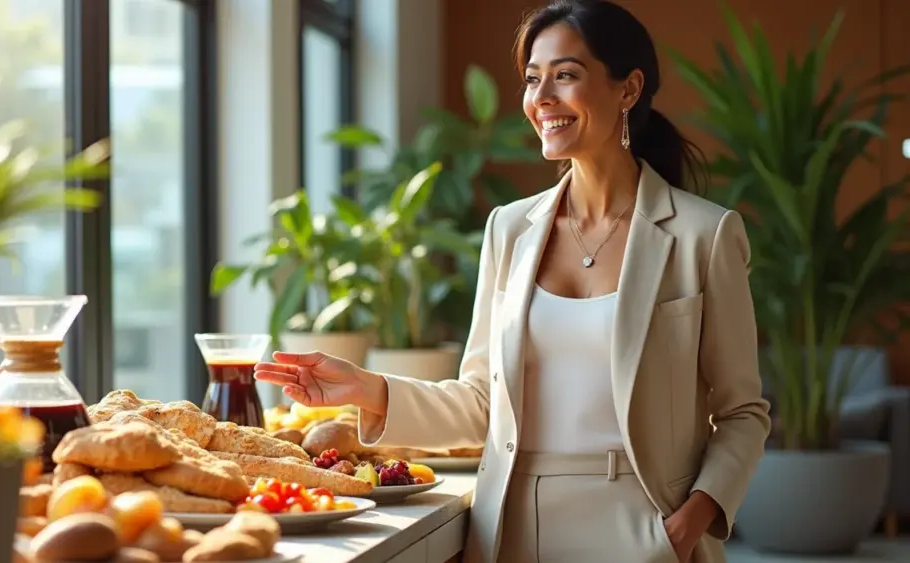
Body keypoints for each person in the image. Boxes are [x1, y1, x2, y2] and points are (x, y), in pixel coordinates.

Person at [255, 1, 771, 561]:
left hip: (647, 527)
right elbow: (482, 401)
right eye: (532, 79)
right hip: (513, 530)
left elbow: (743, 412)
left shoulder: (704, 234)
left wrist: (687, 525)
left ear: (628, 89)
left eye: (566, 75)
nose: (542, 97)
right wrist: (367, 389)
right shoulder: (509, 228)